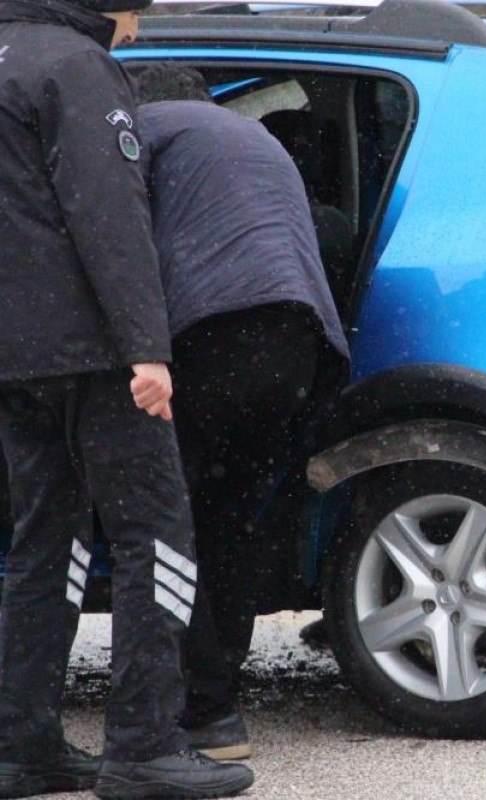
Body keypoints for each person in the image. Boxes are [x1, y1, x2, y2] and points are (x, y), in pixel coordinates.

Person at [0, 1, 254, 798]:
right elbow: (108, 210)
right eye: (134, 12)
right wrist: (148, 346)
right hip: (94, 349)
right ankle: (146, 744)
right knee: (157, 534)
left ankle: (21, 744)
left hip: (14, 355)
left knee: (45, 541)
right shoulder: (75, 66)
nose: (135, 29)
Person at [133, 65, 350, 761]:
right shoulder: (253, 139)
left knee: (168, 523)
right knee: (230, 522)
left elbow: (114, 248)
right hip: (298, 344)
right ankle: (218, 709)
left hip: (208, 337)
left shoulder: (143, 132)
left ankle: (184, 708)